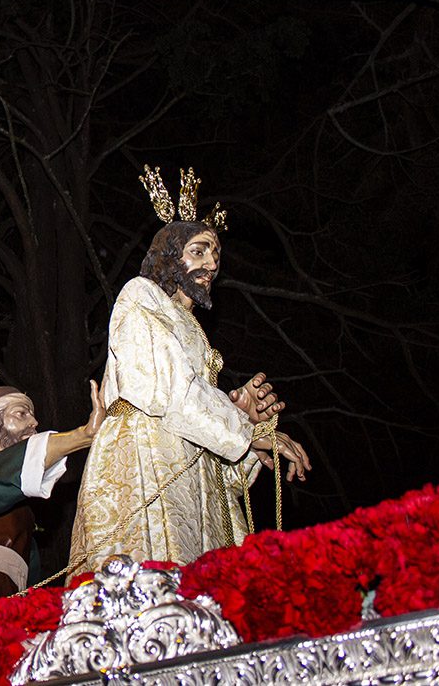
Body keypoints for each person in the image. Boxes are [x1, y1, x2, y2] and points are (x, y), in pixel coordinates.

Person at [69, 166, 311, 574]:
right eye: (198, 251)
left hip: (185, 464)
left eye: (215, 254)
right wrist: (245, 431)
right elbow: (170, 390)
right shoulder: (141, 295)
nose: (211, 264)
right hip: (144, 457)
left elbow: (213, 448)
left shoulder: (195, 331)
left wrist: (241, 417)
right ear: (169, 257)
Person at [0, 379, 105, 608]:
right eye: (21, 414)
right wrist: (82, 435)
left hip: (15, 595)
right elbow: (0, 473)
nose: (34, 422)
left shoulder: (20, 500)